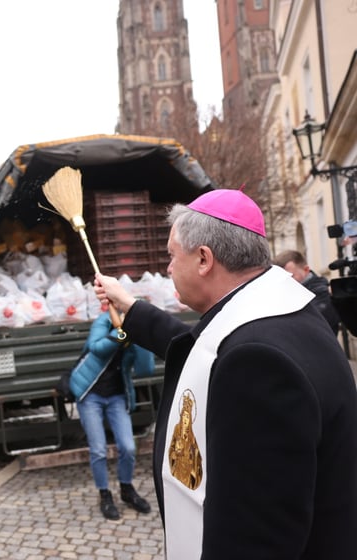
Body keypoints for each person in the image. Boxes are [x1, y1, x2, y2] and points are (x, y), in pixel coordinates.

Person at [93, 189, 357, 560]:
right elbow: (209, 351)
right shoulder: (283, 312)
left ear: (204, 259)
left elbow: (253, 539)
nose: (168, 268)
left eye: (171, 256)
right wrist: (132, 308)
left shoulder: (256, 363)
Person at [69, 309, 154, 521]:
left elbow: (145, 369)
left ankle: (126, 490)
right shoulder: (103, 321)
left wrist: (141, 339)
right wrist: (121, 333)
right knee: (98, 450)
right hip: (90, 394)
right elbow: (95, 348)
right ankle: (104, 495)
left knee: (128, 447)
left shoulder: (134, 332)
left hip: (117, 396)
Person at [273, 249, 340, 333]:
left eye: (291, 276)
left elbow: (309, 326)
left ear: (306, 269)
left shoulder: (322, 293)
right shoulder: (287, 294)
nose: (287, 281)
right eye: (283, 278)